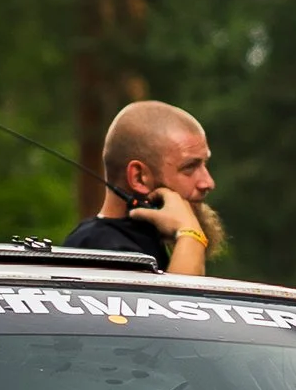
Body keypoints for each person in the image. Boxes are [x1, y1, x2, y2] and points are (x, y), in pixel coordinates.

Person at [63, 100, 220, 279]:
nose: (208, 182)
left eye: (204, 164)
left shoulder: (141, 241)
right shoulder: (104, 251)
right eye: (190, 167)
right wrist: (191, 236)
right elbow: (175, 306)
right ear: (139, 177)